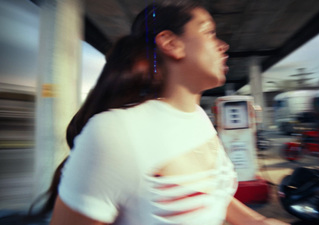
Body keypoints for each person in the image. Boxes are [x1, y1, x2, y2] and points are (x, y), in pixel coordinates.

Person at [48, 1, 288, 225]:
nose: (223, 45)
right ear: (171, 43)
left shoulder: (197, 116)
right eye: (208, 32)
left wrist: (258, 221)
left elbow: (212, 194)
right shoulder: (115, 131)